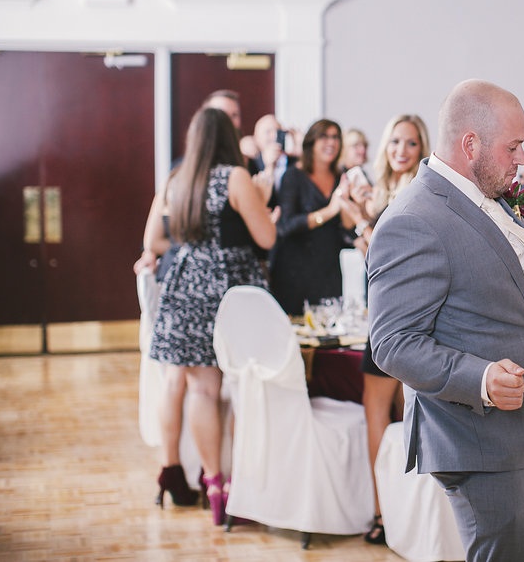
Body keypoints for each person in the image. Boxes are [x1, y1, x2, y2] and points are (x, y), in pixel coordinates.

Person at [366, 79, 524, 562]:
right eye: (513, 146)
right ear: (471, 145)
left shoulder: (489, 194)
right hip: (476, 430)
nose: (522, 158)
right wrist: (480, 377)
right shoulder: (412, 220)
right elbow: (393, 343)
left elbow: (513, 274)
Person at [149, 107, 276, 525]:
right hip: (230, 288)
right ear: (227, 137)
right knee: (243, 387)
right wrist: (261, 197)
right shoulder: (234, 177)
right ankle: (243, 489)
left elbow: (160, 238)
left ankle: (214, 483)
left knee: (202, 390)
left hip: (185, 284)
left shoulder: (178, 180)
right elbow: (266, 237)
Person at [346, 114, 431, 546]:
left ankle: (400, 511)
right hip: (383, 315)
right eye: (395, 141)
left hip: (408, 317)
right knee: (378, 410)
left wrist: (362, 223)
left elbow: (383, 254)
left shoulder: (419, 192)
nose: (401, 150)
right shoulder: (384, 193)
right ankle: (383, 509)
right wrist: (362, 215)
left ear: (422, 149)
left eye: (411, 143)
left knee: (405, 411)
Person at [269, 119, 355, 315]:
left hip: (328, 270)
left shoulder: (342, 177)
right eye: (324, 137)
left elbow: (346, 231)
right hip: (293, 271)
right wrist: (328, 212)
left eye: (335, 137)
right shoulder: (293, 176)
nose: (331, 142)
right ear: (311, 142)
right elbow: (287, 225)